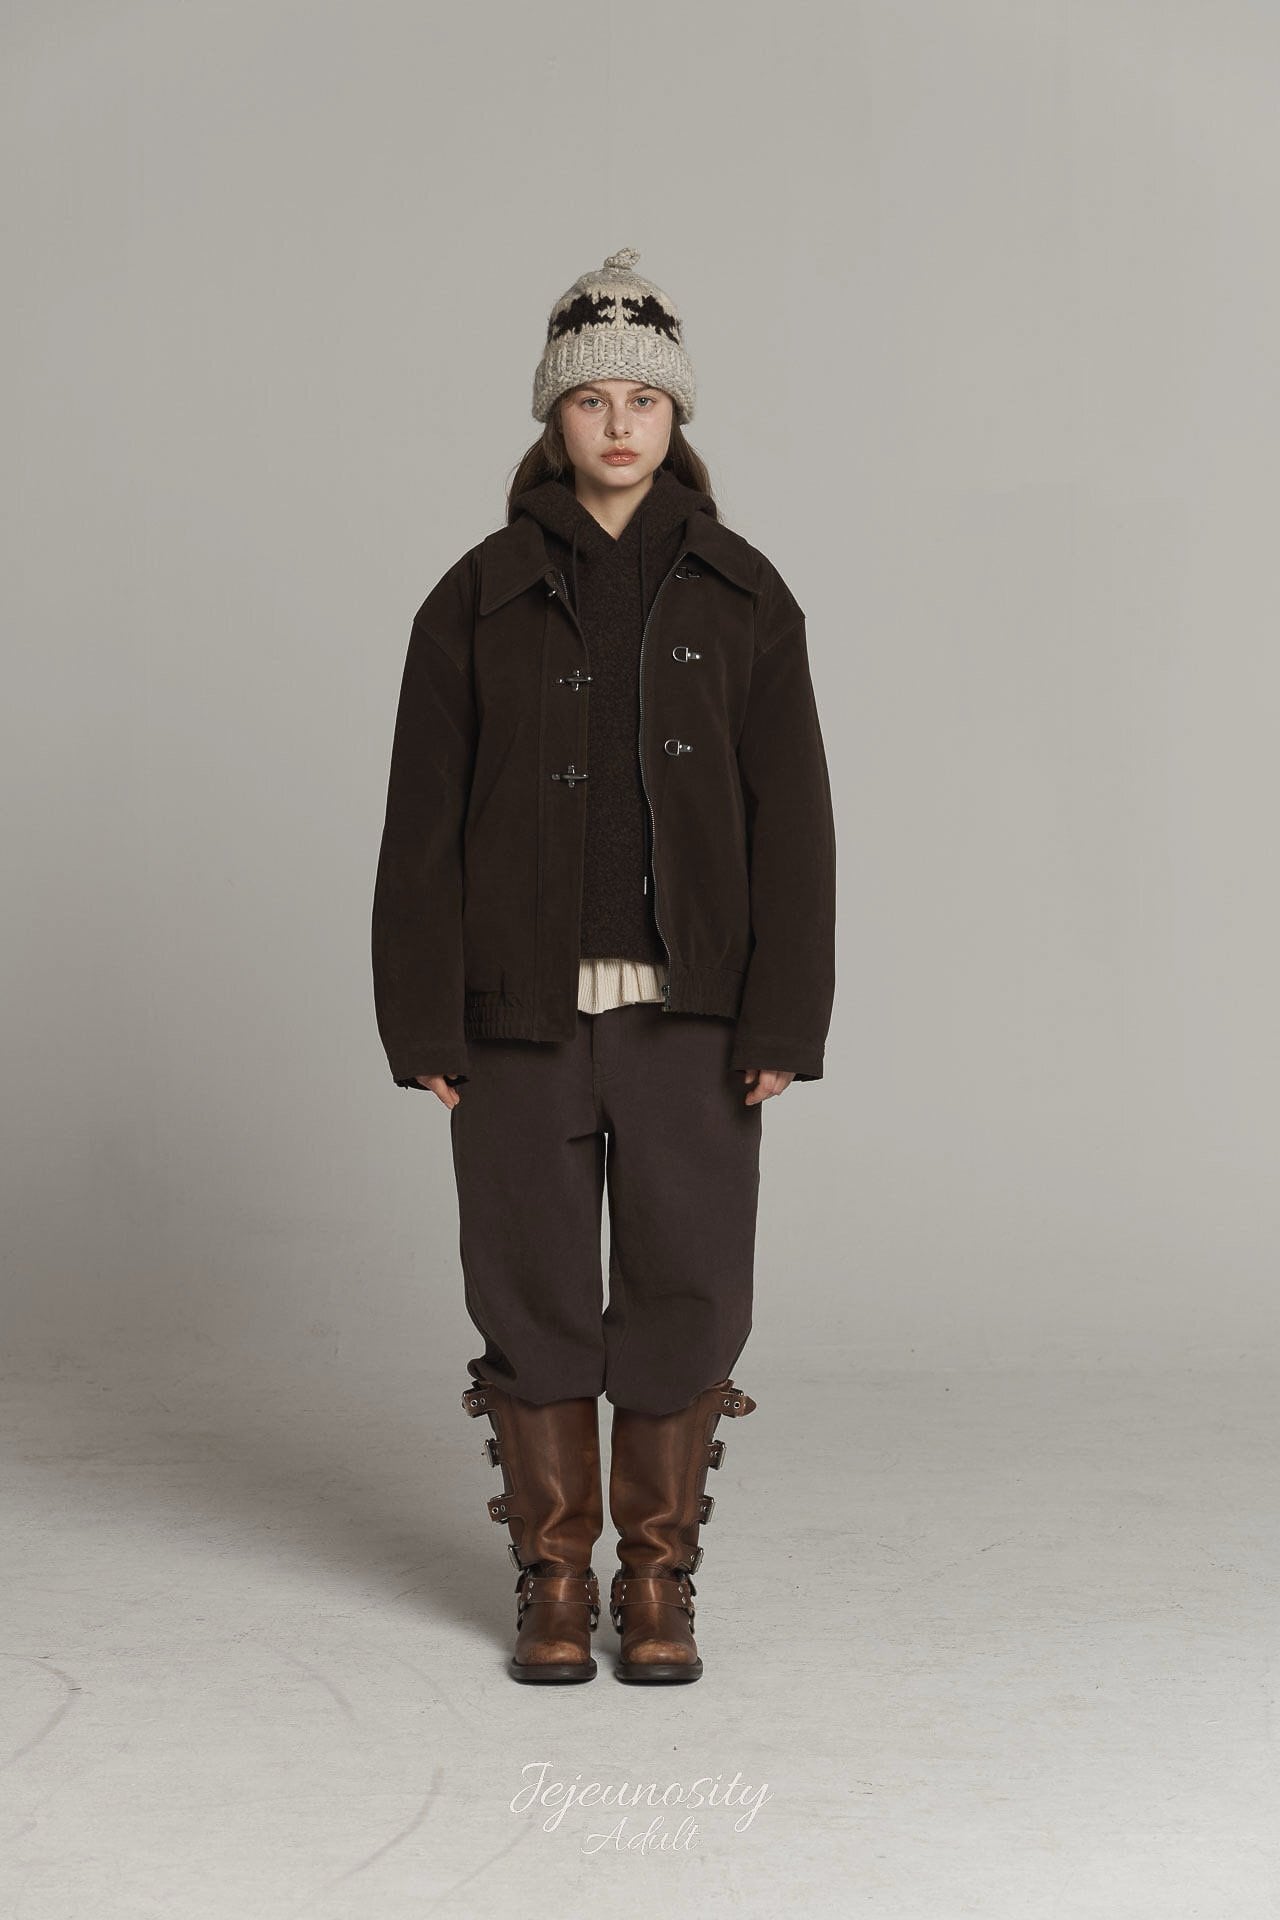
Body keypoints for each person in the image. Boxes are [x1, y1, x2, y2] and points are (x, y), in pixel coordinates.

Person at [372, 246, 836, 1684]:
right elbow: (419, 825)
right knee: (529, 1294)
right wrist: (421, 1020)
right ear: (552, 417)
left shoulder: (747, 596)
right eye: (591, 400)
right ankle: (555, 1580)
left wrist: (783, 1018)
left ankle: (657, 1582)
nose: (619, 424)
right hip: (513, 1018)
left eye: (644, 398)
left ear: (676, 415)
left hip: (695, 1019)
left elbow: (795, 821)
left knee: (690, 1288)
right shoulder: (475, 597)